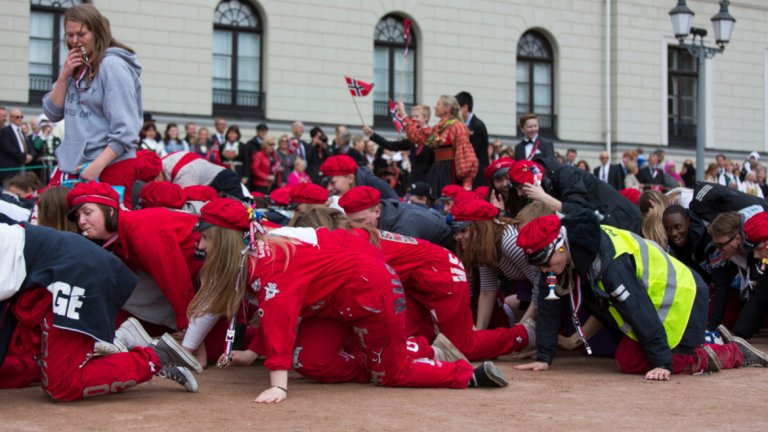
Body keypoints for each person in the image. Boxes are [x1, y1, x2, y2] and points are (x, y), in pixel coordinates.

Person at [184, 198, 509, 403]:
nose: (200, 246)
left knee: (391, 374)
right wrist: (254, 352)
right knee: (308, 361)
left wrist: (279, 386)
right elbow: (275, 311)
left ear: (224, 240)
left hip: (372, 293)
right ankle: (402, 351)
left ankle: (462, 373)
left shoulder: (268, 262)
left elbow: (279, 317)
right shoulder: (255, 242)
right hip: (335, 303)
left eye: (206, 238)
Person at [514, 210, 768, 380]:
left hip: (680, 298)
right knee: (626, 356)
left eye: (546, 263)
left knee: (631, 361)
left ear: (560, 246)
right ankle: (708, 342)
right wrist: (545, 356)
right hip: (656, 302)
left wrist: (662, 363)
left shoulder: (608, 263)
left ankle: (731, 352)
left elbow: (637, 308)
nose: (545, 271)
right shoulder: (568, 250)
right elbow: (549, 301)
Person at [290, 205, 535, 361]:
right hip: (409, 282)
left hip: (439, 272)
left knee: (463, 347)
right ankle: (429, 344)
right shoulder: (343, 239)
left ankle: (524, 334)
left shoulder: (345, 244)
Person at [0, 222, 201, 398]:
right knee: (28, 359)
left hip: (71, 271)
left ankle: (158, 356)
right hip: (49, 276)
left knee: (61, 384)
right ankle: (118, 340)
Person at [67, 182, 202, 332]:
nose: (81, 221)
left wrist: (186, 326)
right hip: (198, 278)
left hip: (213, 268)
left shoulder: (140, 230)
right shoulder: (117, 238)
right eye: (77, 216)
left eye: (87, 212)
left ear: (110, 210)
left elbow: (175, 279)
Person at [42, 4, 141, 207]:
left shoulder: (113, 65)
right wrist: (63, 76)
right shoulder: (76, 65)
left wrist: (97, 166)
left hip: (110, 164)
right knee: (50, 215)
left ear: (97, 32)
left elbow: (126, 129)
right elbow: (52, 113)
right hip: (73, 164)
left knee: (102, 225)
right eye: (70, 35)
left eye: (81, 34)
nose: (74, 41)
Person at [450, 198, 541, 330]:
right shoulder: (484, 246)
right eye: (455, 232)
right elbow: (487, 291)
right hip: (533, 291)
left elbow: (542, 287)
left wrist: (521, 329)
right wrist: (478, 333)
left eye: (464, 230)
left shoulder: (510, 243)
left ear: (481, 227)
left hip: (553, 288)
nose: (458, 237)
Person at [509, 158, 643, 234]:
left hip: (625, 223)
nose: (520, 193)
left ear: (536, 181)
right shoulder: (551, 180)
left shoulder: (567, 175)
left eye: (521, 188)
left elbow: (579, 210)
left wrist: (544, 197)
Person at [399, 96, 478, 194]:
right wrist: (403, 115)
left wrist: (467, 180)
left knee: (446, 197)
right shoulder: (439, 128)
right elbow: (419, 135)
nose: (435, 107)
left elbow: (465, 153)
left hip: (449, 170)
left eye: (438, 104)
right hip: (438, 169)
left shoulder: (457, 126)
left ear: (447, 108)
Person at [339, 186, 454, 250]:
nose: (356, 227)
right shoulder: (388, 214)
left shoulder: (404, 227)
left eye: (360, 221)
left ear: (377, 211)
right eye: (351, 222)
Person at [363, 105, 435, 188]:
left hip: (429, 183)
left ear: (426, 118)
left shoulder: (433, 136)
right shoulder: (412, 139)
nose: (413, 119)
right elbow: (391, 145)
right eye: (412, 116)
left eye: (417, 116)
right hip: (414, 183)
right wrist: (372, 135)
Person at [162, 150, 247, 200]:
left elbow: (188, 202)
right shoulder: (164, 163)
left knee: (242, 210)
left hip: (222, 180)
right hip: (210, 181)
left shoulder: (183, 173)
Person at [320, 154, 398, 201]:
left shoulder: (376, 185)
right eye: (327, 183)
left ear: (350, 178)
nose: (328, 188)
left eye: (333, 183)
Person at [455, 91, 489, 188]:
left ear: (465, 108)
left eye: (456, 109)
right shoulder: (460, 125)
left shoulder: (478, 126)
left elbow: (471, 151)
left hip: (477, 175)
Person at [0, 109, 33, 187]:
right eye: (17, 117)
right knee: (9, 190)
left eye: (21, 117)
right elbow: (9, 149)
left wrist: (31, 155)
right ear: (11, 118)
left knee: (21, 188)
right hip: (10, 169)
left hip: (22, 166)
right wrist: (24, 157)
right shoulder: (5, 131)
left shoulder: (21, 131)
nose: (20, 119)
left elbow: (28, 145)